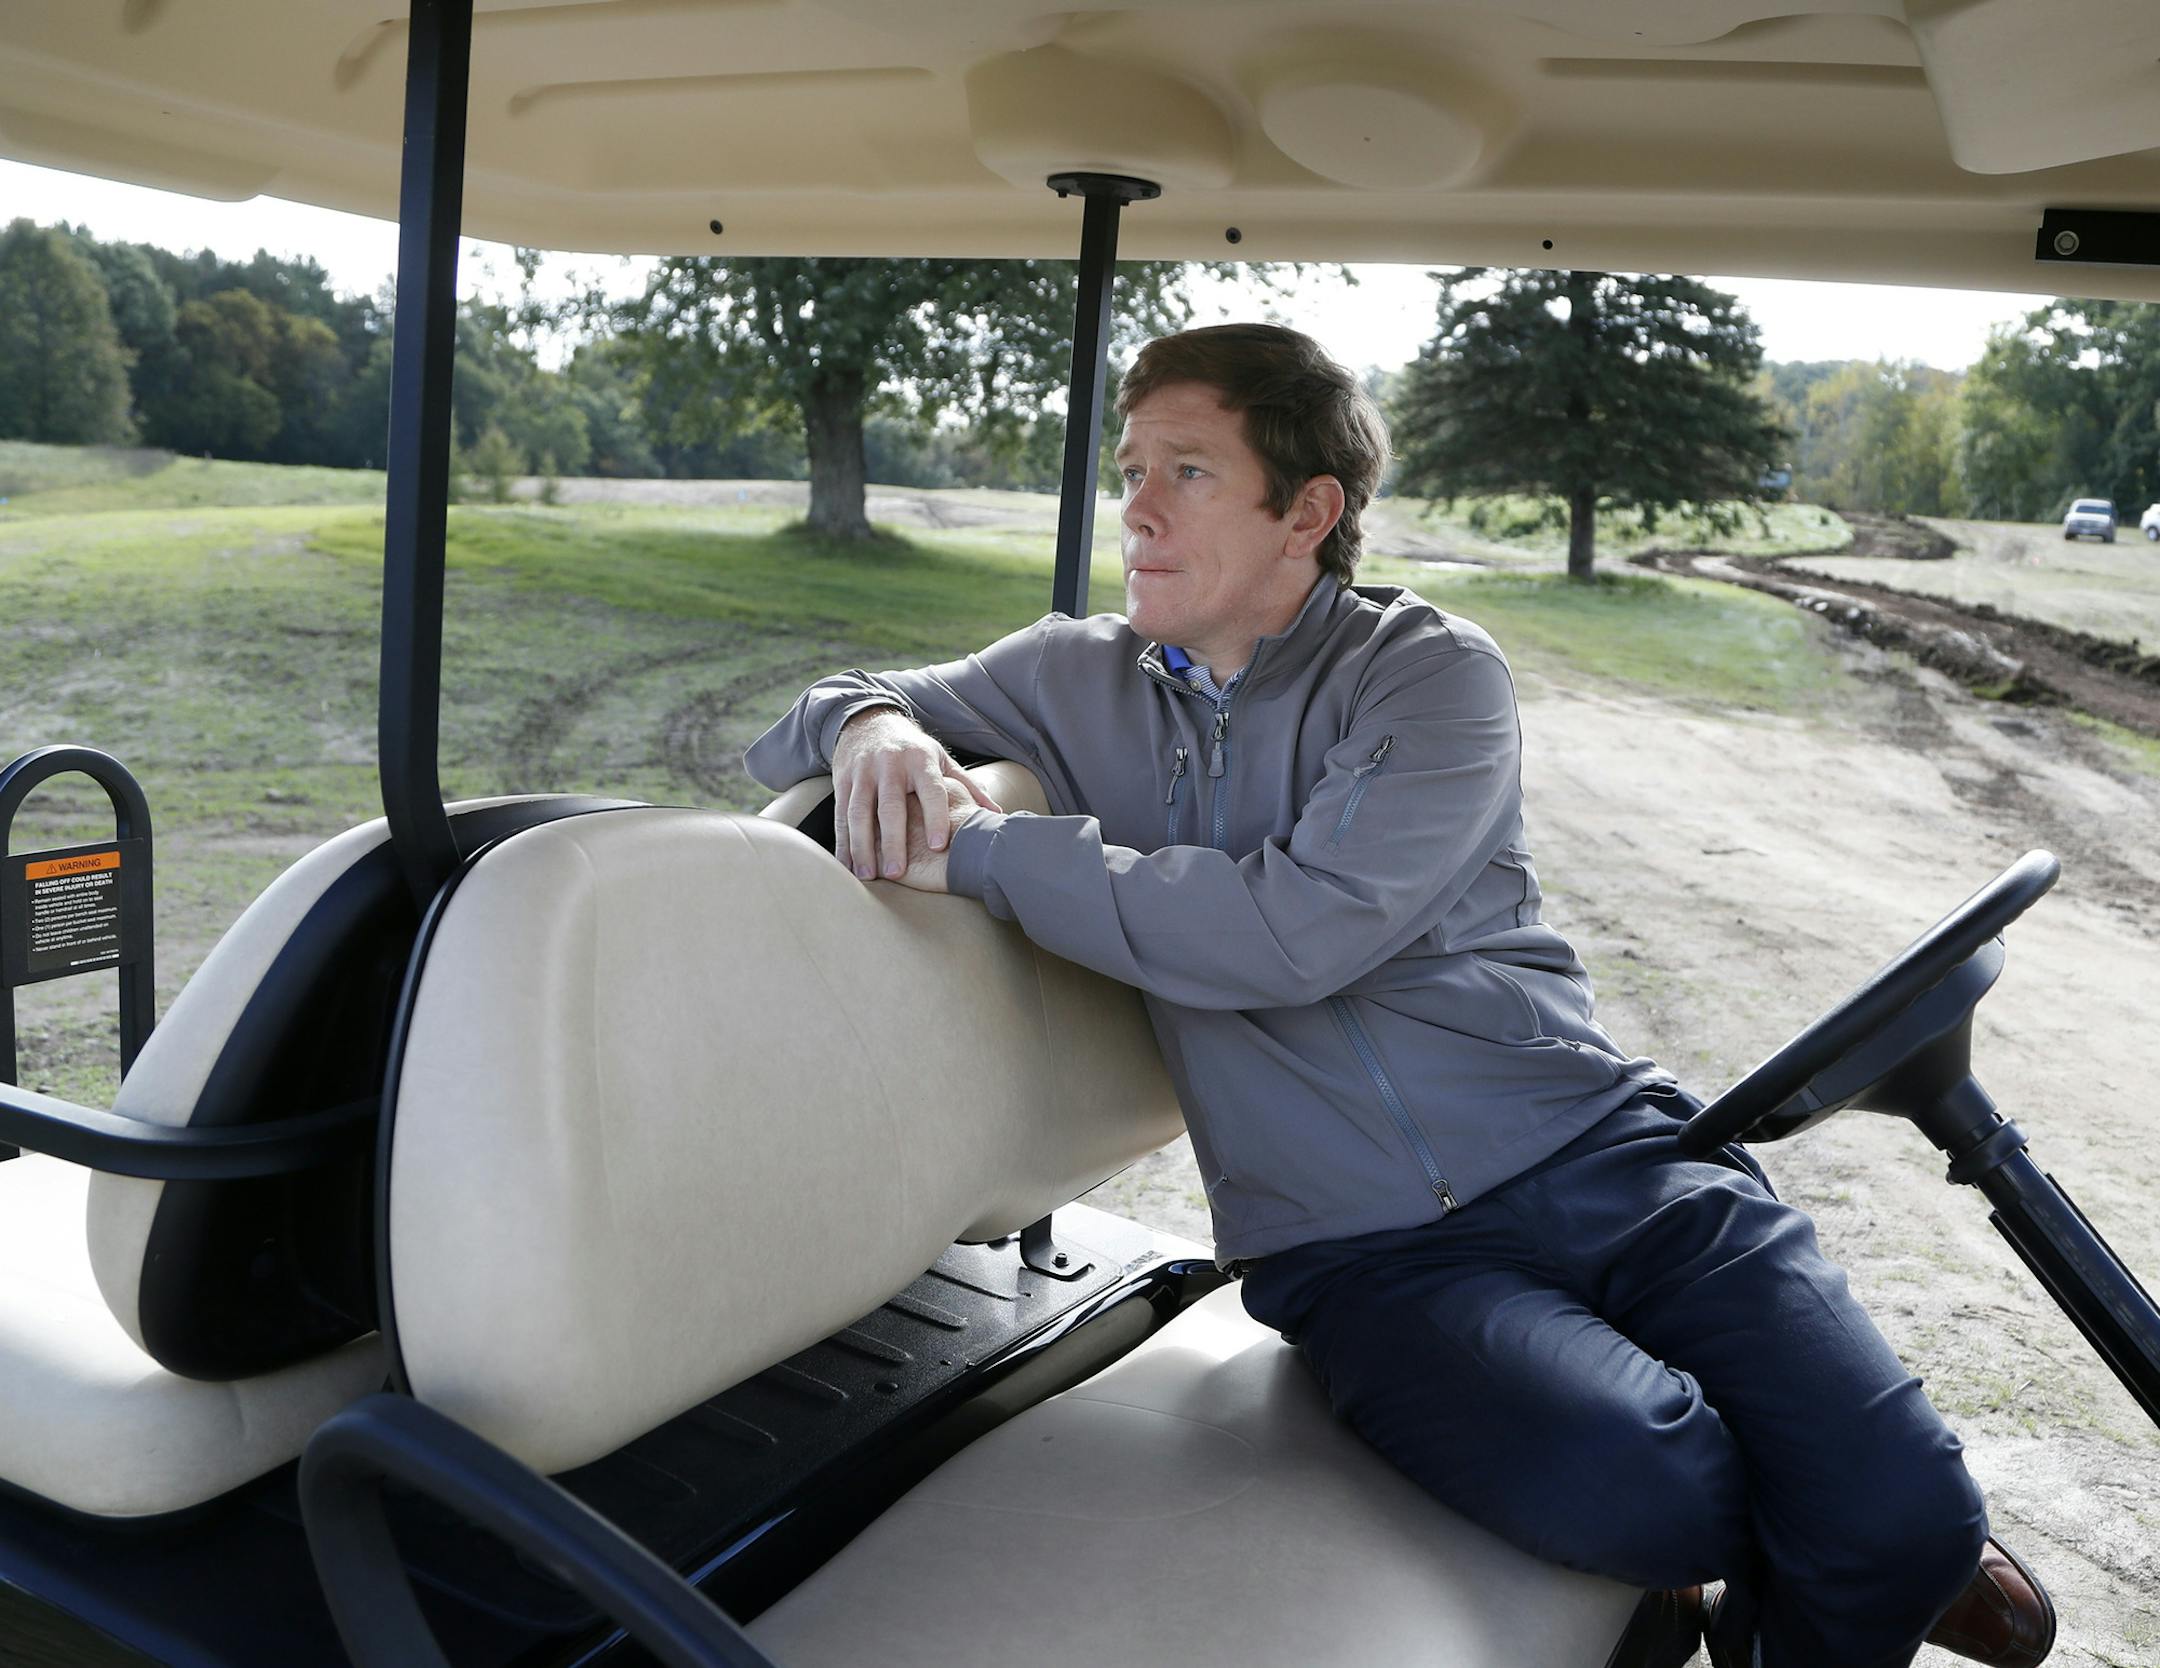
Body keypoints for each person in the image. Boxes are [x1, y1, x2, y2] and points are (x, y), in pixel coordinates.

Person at [744, 322, 2055, 1668]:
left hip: (1610, 1154)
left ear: (1307, 511)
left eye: (1186, 470)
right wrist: (873, 725)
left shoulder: (1431, 675)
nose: (1133, 505)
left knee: (1906, 1508)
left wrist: (991, 851)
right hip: (1362, 1251)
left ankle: (1867, 1558)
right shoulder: (1069, 676)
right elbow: (800, 713)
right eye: (1130, 466)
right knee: (1654, 1486)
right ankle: (1817, 1552)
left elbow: (1294, 934)